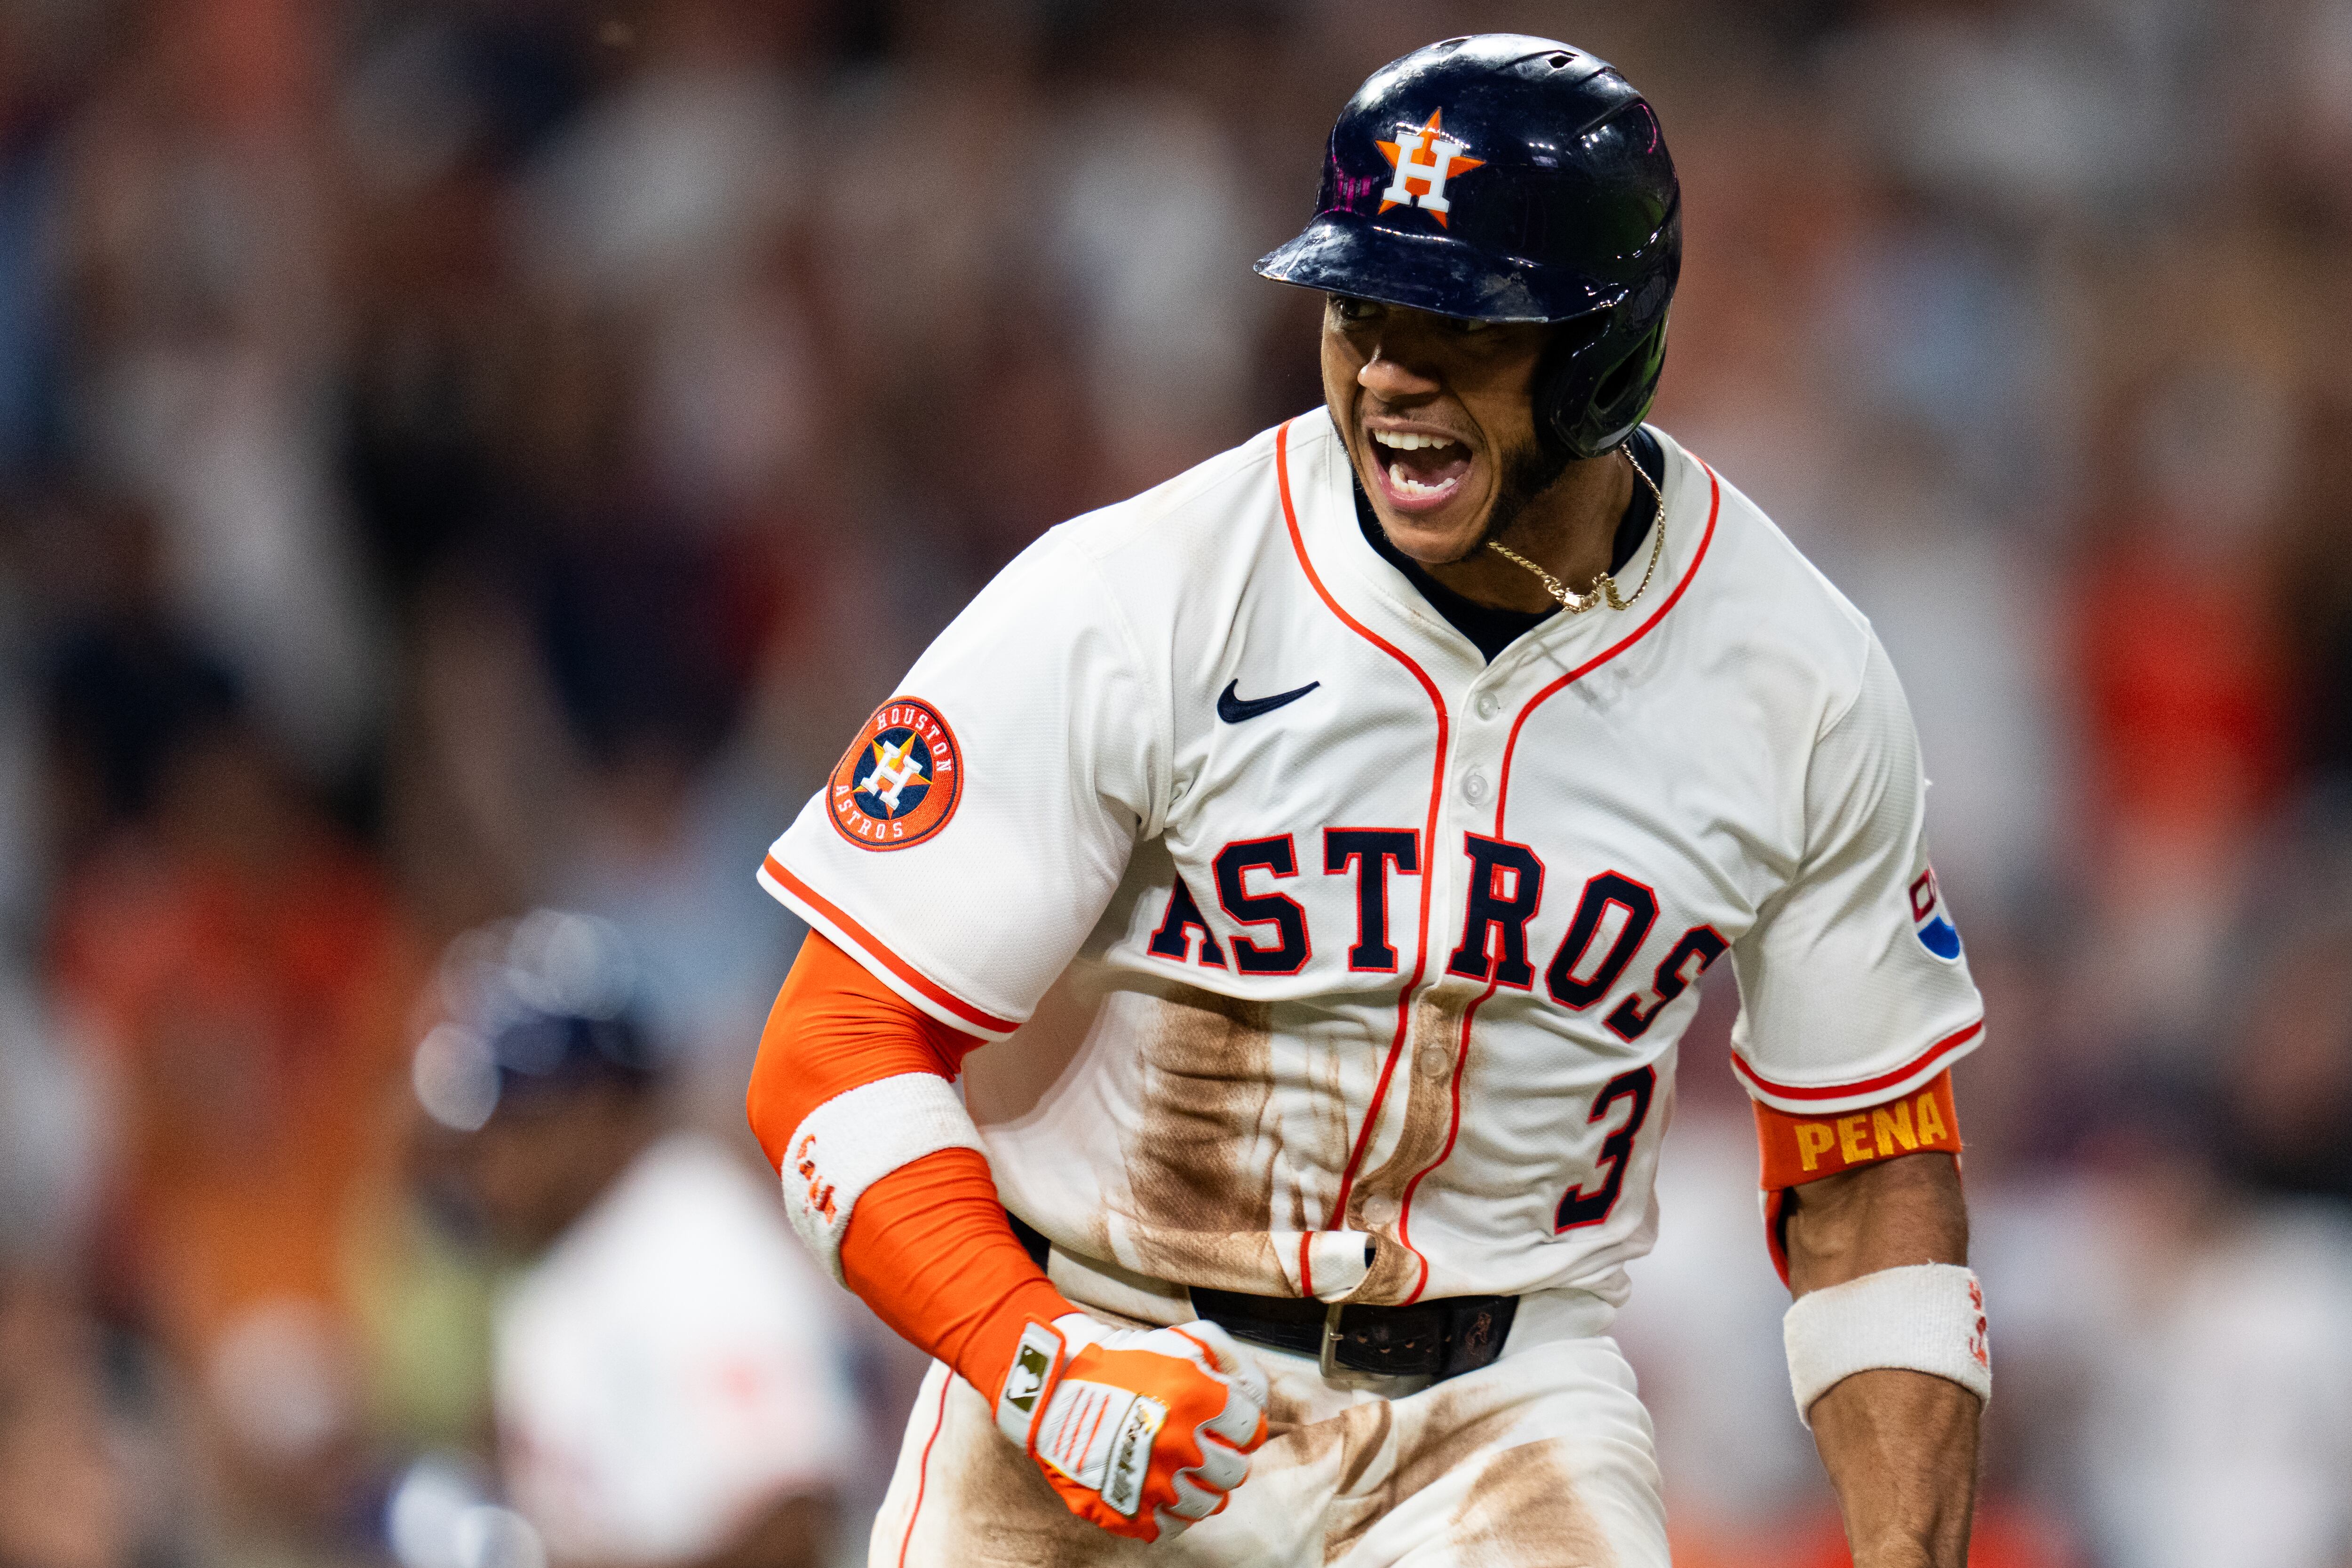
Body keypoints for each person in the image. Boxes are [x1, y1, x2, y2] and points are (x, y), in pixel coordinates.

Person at [746, 34, 1987, 1568]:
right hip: (1111, 1340)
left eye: (1461, 323)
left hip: (1503, 1412)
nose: (1390, 369)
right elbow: (830, 1049)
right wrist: (1033, 1354)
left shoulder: (1796, 675)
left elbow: (1869, 1170)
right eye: (1362, 307)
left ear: (1607, 344)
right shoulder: (1139, 595)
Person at [420, 911, 858, 1568]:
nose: (488, 1162)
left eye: (513, 1125)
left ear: (594, 1104)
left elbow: (797, 1527)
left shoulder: (696, 1238)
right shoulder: (574, 1258)